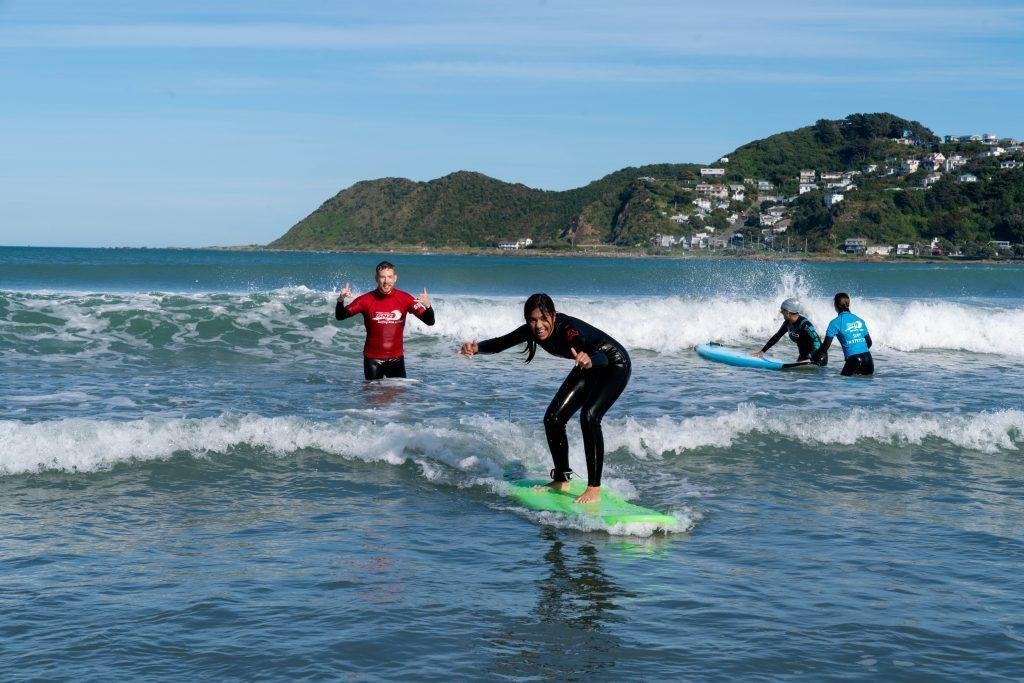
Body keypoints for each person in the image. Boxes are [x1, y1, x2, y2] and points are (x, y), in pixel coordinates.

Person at [458, 293, 630, 504]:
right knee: (553, 418)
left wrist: (590, 359)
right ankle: (561, 479)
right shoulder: (531, 331)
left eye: (543, 318)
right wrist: (476, 349)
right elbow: (502, 343)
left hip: (613, 364)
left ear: (554, 315)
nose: (538, 325)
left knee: (590, 416)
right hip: (585, 365)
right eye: (532, 319)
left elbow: (601, 355)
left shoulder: (569, 331)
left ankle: (594, 488)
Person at [335, 261, 435, 380]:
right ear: (376, 278)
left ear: (395, 278)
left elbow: (429, 321)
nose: (386, 281)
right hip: (372, 360)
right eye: (382, 277)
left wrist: (428, 305)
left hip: (396, 359)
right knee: (373, 397)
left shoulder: (405, 299)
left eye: (389, 277)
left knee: (398, 397)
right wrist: (341, 300)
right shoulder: (365, 300)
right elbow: (341, 316)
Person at [811, 292, 873, 376]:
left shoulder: (835, 323)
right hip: (869, 360)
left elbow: (825, 346)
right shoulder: (859, 320)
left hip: (854, 360)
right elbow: (869, 343)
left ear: (836, 306)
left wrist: (814, 357)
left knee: (843, 385)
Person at [753, 297, 827, 366]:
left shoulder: (805, 324)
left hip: (818, 358)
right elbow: (777, 336)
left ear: (788, 312)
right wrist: (762, 352)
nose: (781, 312)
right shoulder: (787, 323)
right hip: (804, 357)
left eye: (782, 310)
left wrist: (810, 359)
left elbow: (817, 343)